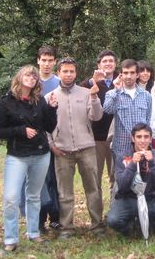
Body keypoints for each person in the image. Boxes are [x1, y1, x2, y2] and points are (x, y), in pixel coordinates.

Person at [0, 66, 58, 253]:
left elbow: (49, 126)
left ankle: (33, 233)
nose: (31, 78)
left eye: (34, 76)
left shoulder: (39, 101)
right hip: (17, 156)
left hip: (40, 154)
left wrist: (53, 109)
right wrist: (20, 131)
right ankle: (11, 239)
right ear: (19, 78)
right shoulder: (6, 102)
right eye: (28, 74)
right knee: (11, 198)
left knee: (34, 196)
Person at [47, 57, 103, 238]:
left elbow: (96, 116)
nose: (68, 74)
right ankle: (66, 227)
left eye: (71, 71)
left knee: (93, 189)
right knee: (65, 192)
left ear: (76, 73)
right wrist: (52, 145)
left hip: (86, 147)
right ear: (58, 73)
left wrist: (94, 97)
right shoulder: (50, 97)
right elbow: (44, 125)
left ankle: (96, 225)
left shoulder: (86, 93)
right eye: (65, 71)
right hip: (62, 151)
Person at [106, 123, 155, 236]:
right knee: (113, 220)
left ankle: (152, 227)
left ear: (151, 139)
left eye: (146, 137)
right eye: (139, 137)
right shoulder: (122, 156)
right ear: (133, 138)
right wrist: (132, 164)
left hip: (150, 199)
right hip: (127, 199)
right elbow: (122, 185)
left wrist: (152, 162)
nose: (142, 140)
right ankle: (129, 228)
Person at [80, 50, 118, 223]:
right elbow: (77, 91)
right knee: (94, 180)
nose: (108, 64)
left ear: (115, 64)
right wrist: (92, 81)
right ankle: (96, 219)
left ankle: (114, 214)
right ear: (99, 65)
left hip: (116, 138)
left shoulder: (121, 80)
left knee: (115, 178)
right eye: (105, 61)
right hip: (94, 138)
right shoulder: (91, 83)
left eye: (111, 61)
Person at [103, 59, 153, 159]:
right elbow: (107, 109)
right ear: (121, 75)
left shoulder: (146, 96)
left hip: (141, 149)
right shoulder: (112, 94)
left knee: (140, 174)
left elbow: (147, 121)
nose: (129, 76)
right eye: (125, 73)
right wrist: (116, 91)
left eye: (132, 73)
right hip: (121, 148)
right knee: (121, 175)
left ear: (137, 75)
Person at [35, 45, 61, 232]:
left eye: (50, 60)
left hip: (57, 137)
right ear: (38, 61)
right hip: (35, 139)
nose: (46, 64)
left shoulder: (60, 83)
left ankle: (55, 216)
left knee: (55, 179)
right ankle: (39, 219)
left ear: (54, 62)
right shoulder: (30, 81)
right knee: (39, 180)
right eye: (43, 60)